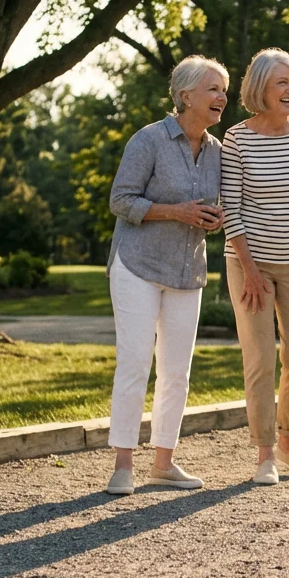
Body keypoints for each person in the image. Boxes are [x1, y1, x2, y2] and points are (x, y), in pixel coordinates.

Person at [104, 56, 228, 496]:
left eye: (224, 90)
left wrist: (214, 219)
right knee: (135, 362)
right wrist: (176, 212)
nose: (222, 98)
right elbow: (121, 200)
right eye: (213, 89)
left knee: (177, 370)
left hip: (187, 269)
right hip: (137, 264)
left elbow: (218, 204)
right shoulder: (149, 140)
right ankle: (122, 465)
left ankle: (164, 463)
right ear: (185, 95)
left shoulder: (218, 151)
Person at [221, 48, 289, 486]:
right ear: (260, 88)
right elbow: (231, 206)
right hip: (250, 264)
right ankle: (265, 454)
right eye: (281, 82)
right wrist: (248, 268)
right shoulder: (237, 138)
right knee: (261, 357)